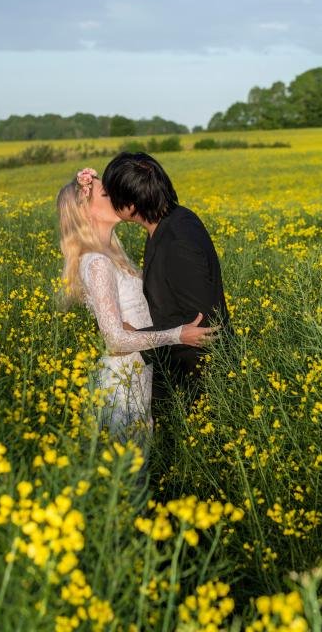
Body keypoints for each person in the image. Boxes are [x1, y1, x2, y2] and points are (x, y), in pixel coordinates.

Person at [56, 167, 214, 442]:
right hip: (122, 383)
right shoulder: (97, 263)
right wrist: (178, 334)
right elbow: (115, 340)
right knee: (126, 472)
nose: (118, 195)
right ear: (86, 212)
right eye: (107, 193)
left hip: (137, 374)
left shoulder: (111, 256)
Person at [101, 152, 229, 422]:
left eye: (113, 196)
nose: (109, 203)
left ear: (131, 204)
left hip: (194, 383)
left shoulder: (177, 241)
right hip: (179, 371)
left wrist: (138, 335)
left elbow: (203, 325)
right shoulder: (174, 220)